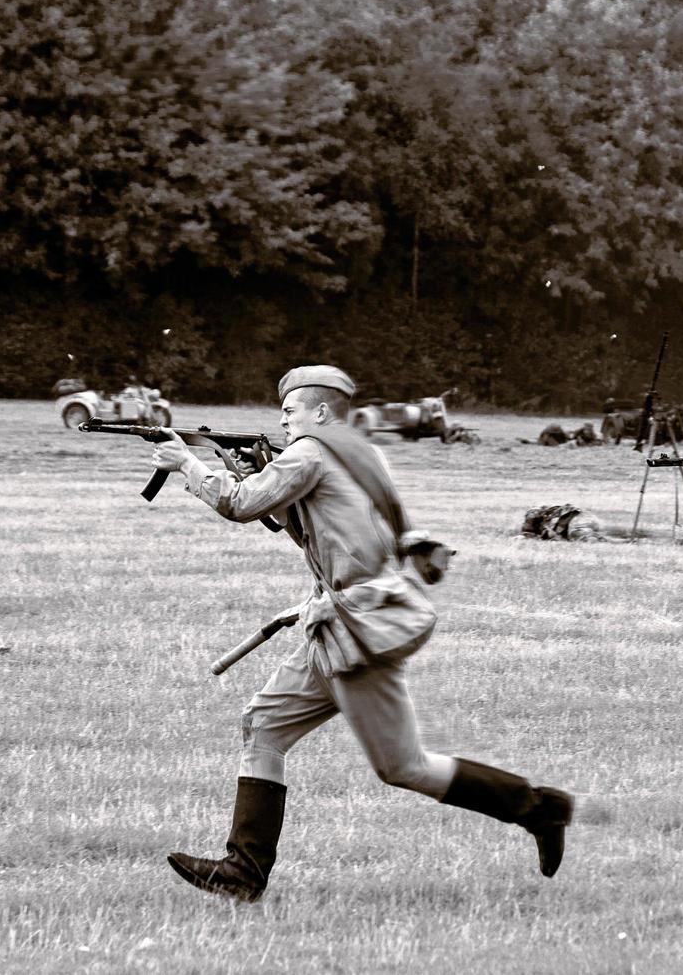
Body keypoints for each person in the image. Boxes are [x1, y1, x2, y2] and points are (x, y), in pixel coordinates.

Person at [148, 365, 573, 902]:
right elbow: (303, 523)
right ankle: (243, 871)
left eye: (291, 409)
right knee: (264, 726)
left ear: (321, 412)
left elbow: (241, 504)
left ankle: (538, 807)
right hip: (339, 621)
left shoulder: (309, 453)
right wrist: (255, 471)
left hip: (356, 627)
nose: (283, 418)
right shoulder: (358, 452)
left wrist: (186, 462)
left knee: (403, 766)